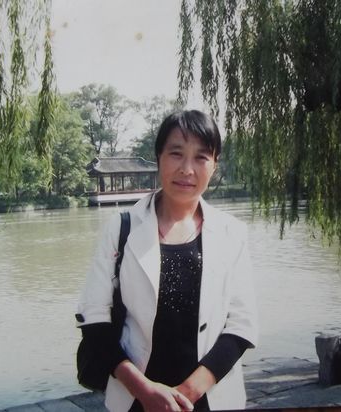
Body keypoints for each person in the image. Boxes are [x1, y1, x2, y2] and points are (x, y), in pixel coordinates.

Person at [76, 110, 258, 412]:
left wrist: (188, 393)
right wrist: (144, 390)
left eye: (201, 157)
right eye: (176, 154)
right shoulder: (121, 228)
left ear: (214, 164)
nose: (187, 169)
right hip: (135, 398)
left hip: (210, 397)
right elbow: (94, 318)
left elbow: (242, 324)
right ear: (158, 157)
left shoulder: (232, 233)